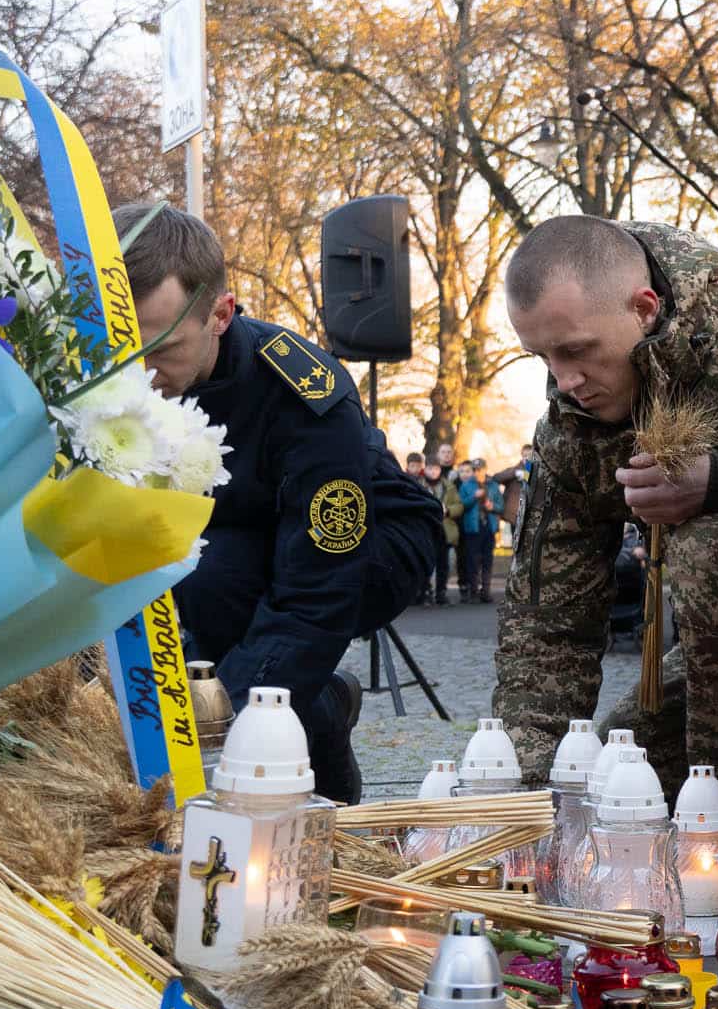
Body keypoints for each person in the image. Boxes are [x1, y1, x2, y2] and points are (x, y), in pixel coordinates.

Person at [117, 202, 442, 804]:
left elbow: (317, 590)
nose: (138, 372)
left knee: (212, 574)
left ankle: (321, 765)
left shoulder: (304, 394)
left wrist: (217, 727)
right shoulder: (129, 375)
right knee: (201, 566)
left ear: (221, 314)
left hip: (369, 539)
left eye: (161, 349)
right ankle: (319, 699)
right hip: (245, 529)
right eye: (122, 347)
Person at [492, 215, 718, 797]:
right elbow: (548, 623)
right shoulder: (570, 432)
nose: (565, 380)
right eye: (542, 357)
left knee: (707, 543)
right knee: (614, 777)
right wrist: (528, 795)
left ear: (644, 309)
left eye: (577, 351)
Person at [458, 459, 499, 602]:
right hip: (473, 528)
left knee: (488, 560)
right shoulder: (466, 485)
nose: (477, 472)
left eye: (480, 469)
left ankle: (486, 591)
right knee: (473, 560)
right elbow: (461, 505)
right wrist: (473, 497)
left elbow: (501, 506)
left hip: (489, 527)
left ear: (485, 469)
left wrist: (492, 506)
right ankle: (474, 591)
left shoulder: (493, 485)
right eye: (475, 470)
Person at [422, 455, 460, 605]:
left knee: (444, 563)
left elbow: (459, 506)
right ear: (425, 469)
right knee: (426, 563)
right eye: (430, 468)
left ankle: (441, 592)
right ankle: (426, 591)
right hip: (426, 529)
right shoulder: (419, 485)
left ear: (440, 470)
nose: (433, 472)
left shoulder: (449, 486)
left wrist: (448, 510)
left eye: (436, 469)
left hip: (444, 529)